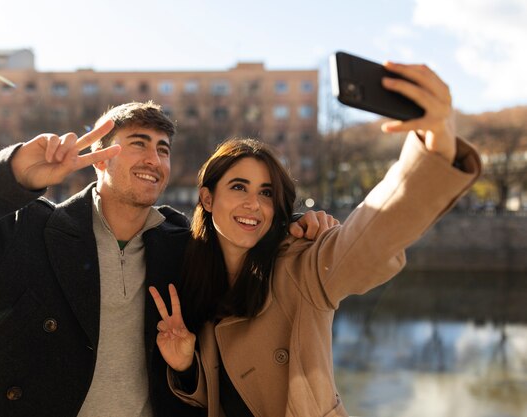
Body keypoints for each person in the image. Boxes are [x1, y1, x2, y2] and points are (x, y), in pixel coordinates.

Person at [0, 101, 332, 417]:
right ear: (98, 159)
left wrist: (297, 226)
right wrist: (8, 175)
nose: (154, 158)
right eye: (138, 143)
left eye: (163, 149)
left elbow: (245, 231)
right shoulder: (27, 230)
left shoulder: (186, 247)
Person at [149, 62, 482, 417]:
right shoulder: (197, 277)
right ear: (207, 198)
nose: (254, 204)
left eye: (266, 193)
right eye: (238, 187)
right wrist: (186, 367)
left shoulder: (302, 266)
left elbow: (371, 239)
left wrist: (434, 148)